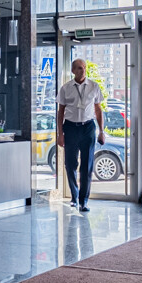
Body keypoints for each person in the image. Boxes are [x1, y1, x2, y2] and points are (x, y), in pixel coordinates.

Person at [55, 58, 105, 212]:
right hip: (70, 127)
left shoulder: (94, 86)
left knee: (87, 165)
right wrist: (60, 134)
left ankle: (84, 201)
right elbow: (60, 112)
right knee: (70, 164)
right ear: (72, 71)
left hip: (88, 128)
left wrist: (102, 131)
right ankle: (74, 197)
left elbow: (98, 110)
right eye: (78, 68)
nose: (82, 70)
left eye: (83, 67)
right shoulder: (66, 88)